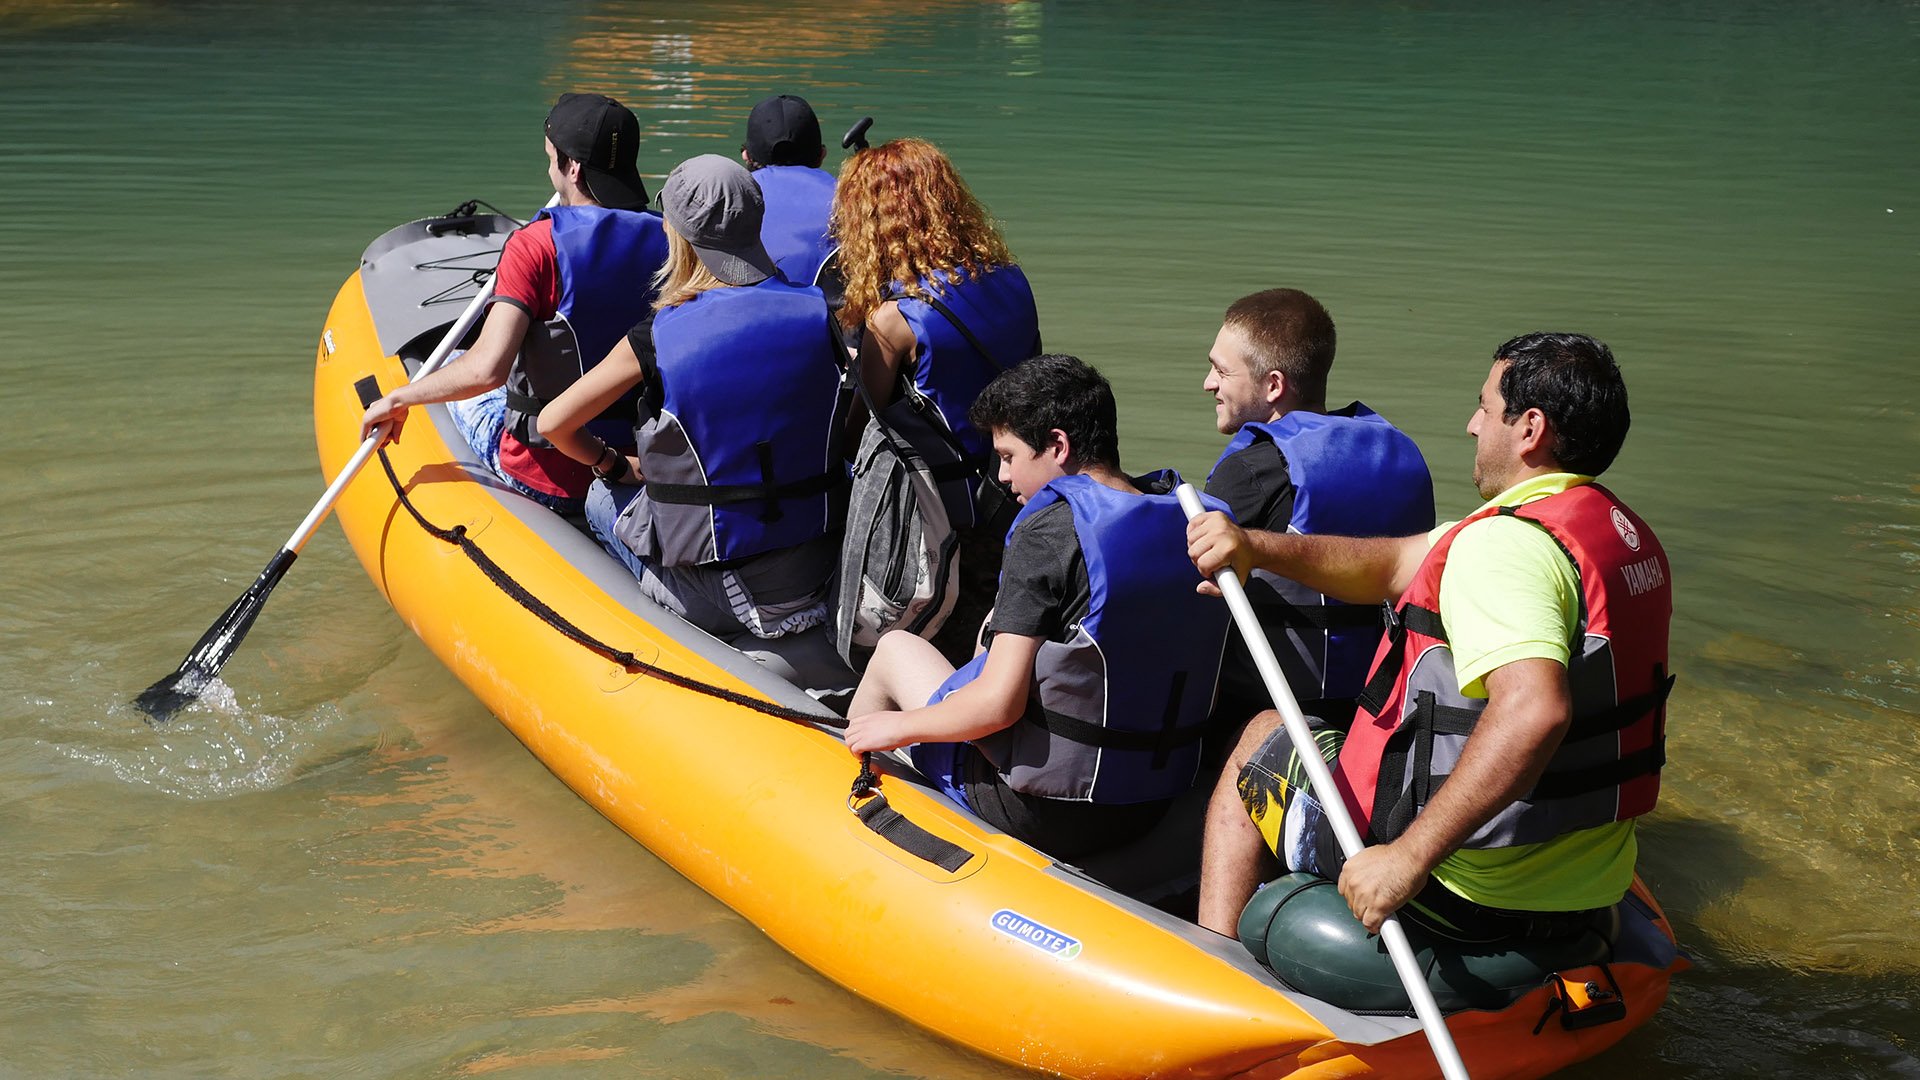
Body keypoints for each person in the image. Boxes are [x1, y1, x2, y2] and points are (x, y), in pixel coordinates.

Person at [1186, 333, 1673, 941]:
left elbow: (1535, 710)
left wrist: (1407, 859)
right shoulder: (1613, 534)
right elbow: (1393, 565)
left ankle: (1212, 955)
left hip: (1465, 886)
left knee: (1261, 737)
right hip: (1586, 883)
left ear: (1530, 429)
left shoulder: (1503, 550)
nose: (1472, 425)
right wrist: (1255, 547)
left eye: (1486, 409)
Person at [845, 355, 1229, 859]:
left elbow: (997, 707)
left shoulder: (1047, 530)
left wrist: (893, 728)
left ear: (1057, 445)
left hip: (1046, 811)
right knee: (992, 630)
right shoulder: (1193, 518)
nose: (1003, 476)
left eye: (1008, 456)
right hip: (1149, 803)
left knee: (895, 648)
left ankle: (842, 807)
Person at [533, 154, 846, 643]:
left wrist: (613, 463)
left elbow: (553, 424)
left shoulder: (658, 334)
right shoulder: (819, 313)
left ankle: (662, 616)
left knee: (599, 498)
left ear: (676, 234)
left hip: (727, 593)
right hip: (818, 567)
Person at [359, 93, 667, 514]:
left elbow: (487, 372)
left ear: (572, 168)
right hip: (640, 458)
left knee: (454, 364)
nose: (549, 167)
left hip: (549, 476)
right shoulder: (673, 239)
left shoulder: (535, 245)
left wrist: (400, 398)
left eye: (551, 158)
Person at [830, 137, 1043, 666]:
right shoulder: (1013, 280)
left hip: (944, 517)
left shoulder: (895, 320)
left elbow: (860, 429)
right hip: (1011, 492)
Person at [1201, 288, 1434, 726]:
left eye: (1221, 371)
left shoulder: (1252, 472)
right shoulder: (1400, 457)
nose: (1208, 383)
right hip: (1385, 705)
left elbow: (1184, 583)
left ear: (1274, 385)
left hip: (1276, 714)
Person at [740, 94, 836, 287]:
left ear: (746, 156)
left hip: (743, 303)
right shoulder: (854, 196)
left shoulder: (726, 196)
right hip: (832, 304)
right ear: (822, 155)